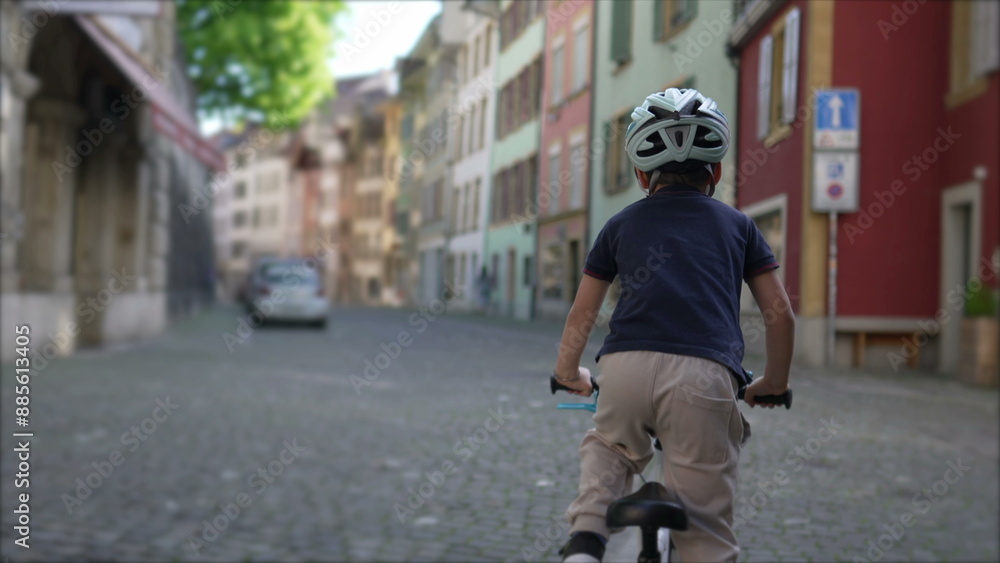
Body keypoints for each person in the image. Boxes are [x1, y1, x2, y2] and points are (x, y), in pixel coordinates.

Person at [552, 88, 794, 563]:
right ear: (717, 172)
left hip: (624, 367)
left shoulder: (620, 225)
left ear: (642, 175)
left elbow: (582, 314)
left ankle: (585, 538)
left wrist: (567, 373)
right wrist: (773, 382)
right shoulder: (739, 226)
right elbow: (779, 312)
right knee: (705, 526)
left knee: (610, 445)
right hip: (705, 376)